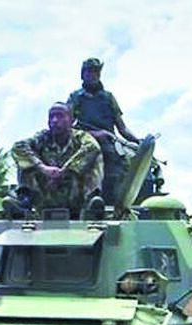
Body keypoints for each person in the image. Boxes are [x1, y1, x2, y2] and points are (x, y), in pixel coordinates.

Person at [10, 102, 104, 218]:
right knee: (25, 159)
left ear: (72, 120)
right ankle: (23, 204)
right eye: (51, 117)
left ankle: (91, 204)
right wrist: (43, 168)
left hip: (76, 197)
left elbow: (92, 147)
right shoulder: (43, 137)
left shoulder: (80, 137)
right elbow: (18, 147)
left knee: (93, 156)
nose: (54, 120)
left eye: (60, 116)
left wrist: (63, 172)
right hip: (47, 195)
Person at [67, 58, 141, 204]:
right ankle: (89, 200)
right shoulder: (76, 98)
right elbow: (67, 127)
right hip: (84, 142)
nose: (92, 75)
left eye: (96, 71)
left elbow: (122, 128)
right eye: (89, 71)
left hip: (108, 142)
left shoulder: (108, 98)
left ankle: (111, 203)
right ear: (83, 74)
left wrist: (138, 141)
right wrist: (95, 134)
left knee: (120, 165)